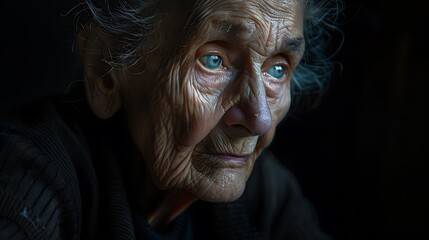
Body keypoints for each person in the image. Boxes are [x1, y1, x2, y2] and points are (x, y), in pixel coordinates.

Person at [0, 0, 342, 239]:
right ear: (106, 69)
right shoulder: (27, 172)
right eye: (213, 60)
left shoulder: (267, 193)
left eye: (277, 68)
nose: (258, 119)